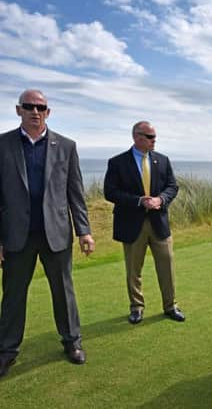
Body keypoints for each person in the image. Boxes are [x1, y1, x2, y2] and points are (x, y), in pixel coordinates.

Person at [0, 89, 95, 377]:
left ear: (48, 112)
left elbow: (75, 193)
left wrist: (84, 231)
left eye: (40, 107)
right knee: (13, 295)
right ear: (18, 110)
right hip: (17, 235)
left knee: (63, 292)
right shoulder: (3, 145)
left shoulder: (66, 146)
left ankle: (72, 341)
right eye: (28, 106)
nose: (35, 111)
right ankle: (7, 350)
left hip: (55, 234)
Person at [104, 121, 184, 324]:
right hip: (132, 224)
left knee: (166, 266)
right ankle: (137, 307)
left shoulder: (163, 160)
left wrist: (160, 199)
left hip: (159, 223)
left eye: (155, 137)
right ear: (137, 137)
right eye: (150, 137)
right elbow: (110, 192)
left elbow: (172, 186)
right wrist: (139, 201)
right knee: (133, 270)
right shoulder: (117, 162)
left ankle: (170, 305)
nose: (154, 140)